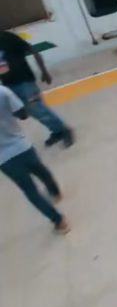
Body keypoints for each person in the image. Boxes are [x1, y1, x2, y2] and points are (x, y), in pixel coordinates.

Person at [1, 85, 69, 234]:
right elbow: (23, 114)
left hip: (4, 159)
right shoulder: (4, 91)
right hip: (21, 145)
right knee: (40, 170)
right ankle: (56, 192)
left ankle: (60, 222)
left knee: (30, 191)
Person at [0, 31, 73, 147]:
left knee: (38, 108)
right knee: (31, 111)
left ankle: (63, 130)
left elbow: (34, 51)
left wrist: (44, 72)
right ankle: (57, 130)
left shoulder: (7, 37)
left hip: (24, 81)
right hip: (9, 85)